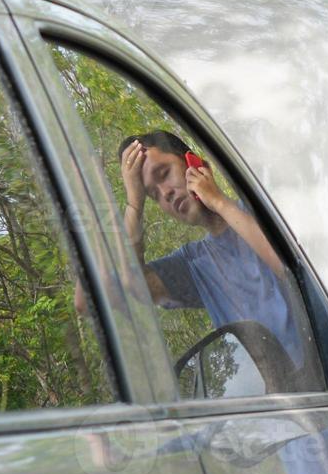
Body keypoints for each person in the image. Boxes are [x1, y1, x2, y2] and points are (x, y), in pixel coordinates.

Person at [115, 130, 307, 370]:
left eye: (164, 174)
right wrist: (134, 204)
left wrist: (217, 201)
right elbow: (131, 284)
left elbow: (292, 267)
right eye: (153, 195)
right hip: (280, 401)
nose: (165, 193)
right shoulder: (194, 265)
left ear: (195, 164)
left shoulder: (264, 208)